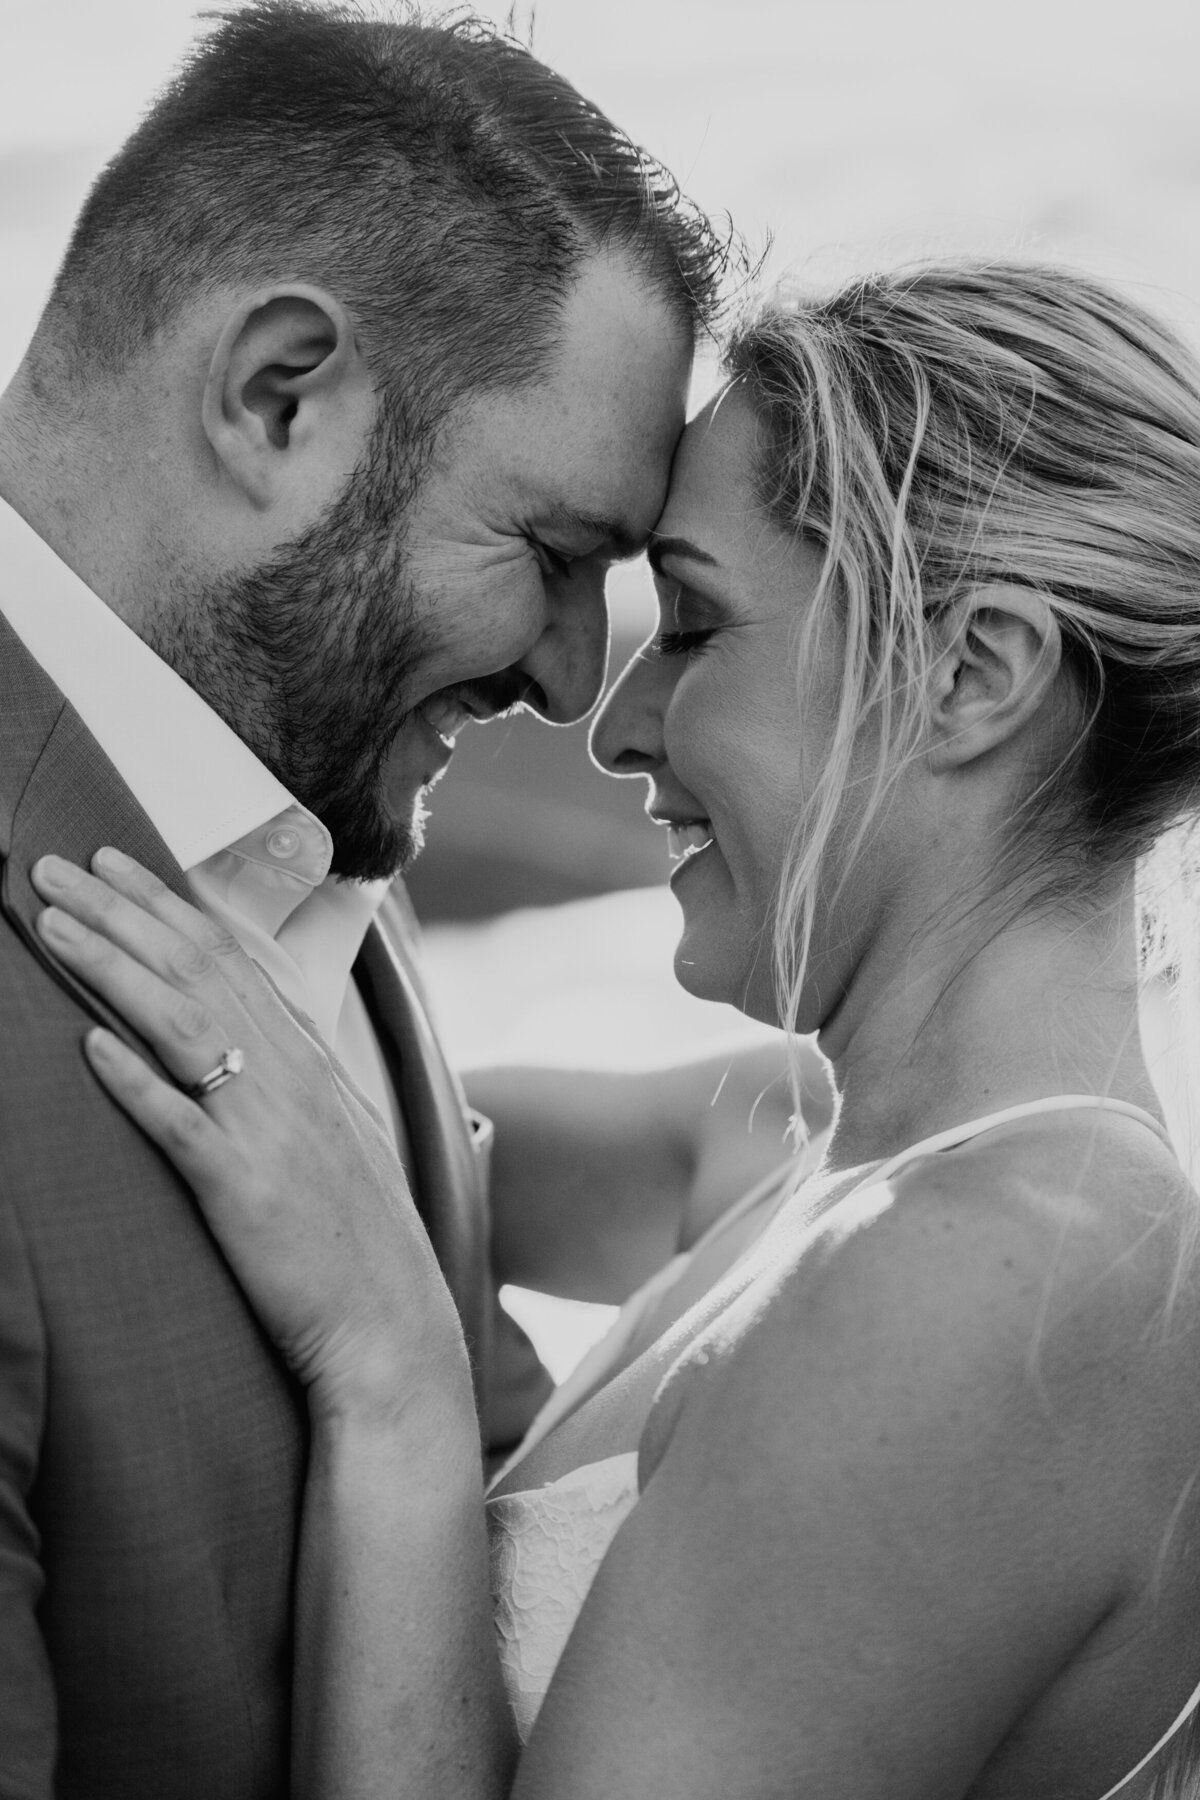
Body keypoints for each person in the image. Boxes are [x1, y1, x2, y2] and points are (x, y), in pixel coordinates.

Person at [34, 253, 1200, 1798]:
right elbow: (389, 1148)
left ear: (973, 674)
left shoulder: (994, 1285)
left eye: (695, 626)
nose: (618, 723)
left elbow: (370, 1238)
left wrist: (395, 1374)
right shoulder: (820, 1151)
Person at [0, 2, 741, 1793]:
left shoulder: (294, 807)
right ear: (280, 397)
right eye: (550, 554)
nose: (575, 681)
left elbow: (486, 1534)